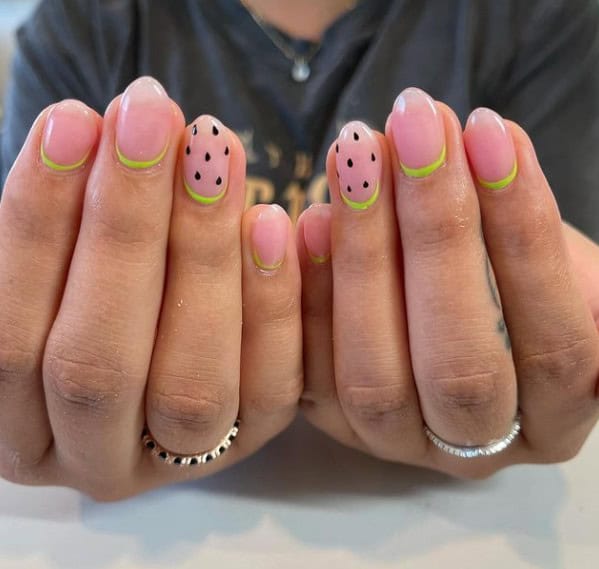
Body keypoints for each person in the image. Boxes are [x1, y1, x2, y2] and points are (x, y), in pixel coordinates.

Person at [0, 0, 599, 502]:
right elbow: (29, 287)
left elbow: (561, 278)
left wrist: (516, 390)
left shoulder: (540, 17)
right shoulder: (84, 21)